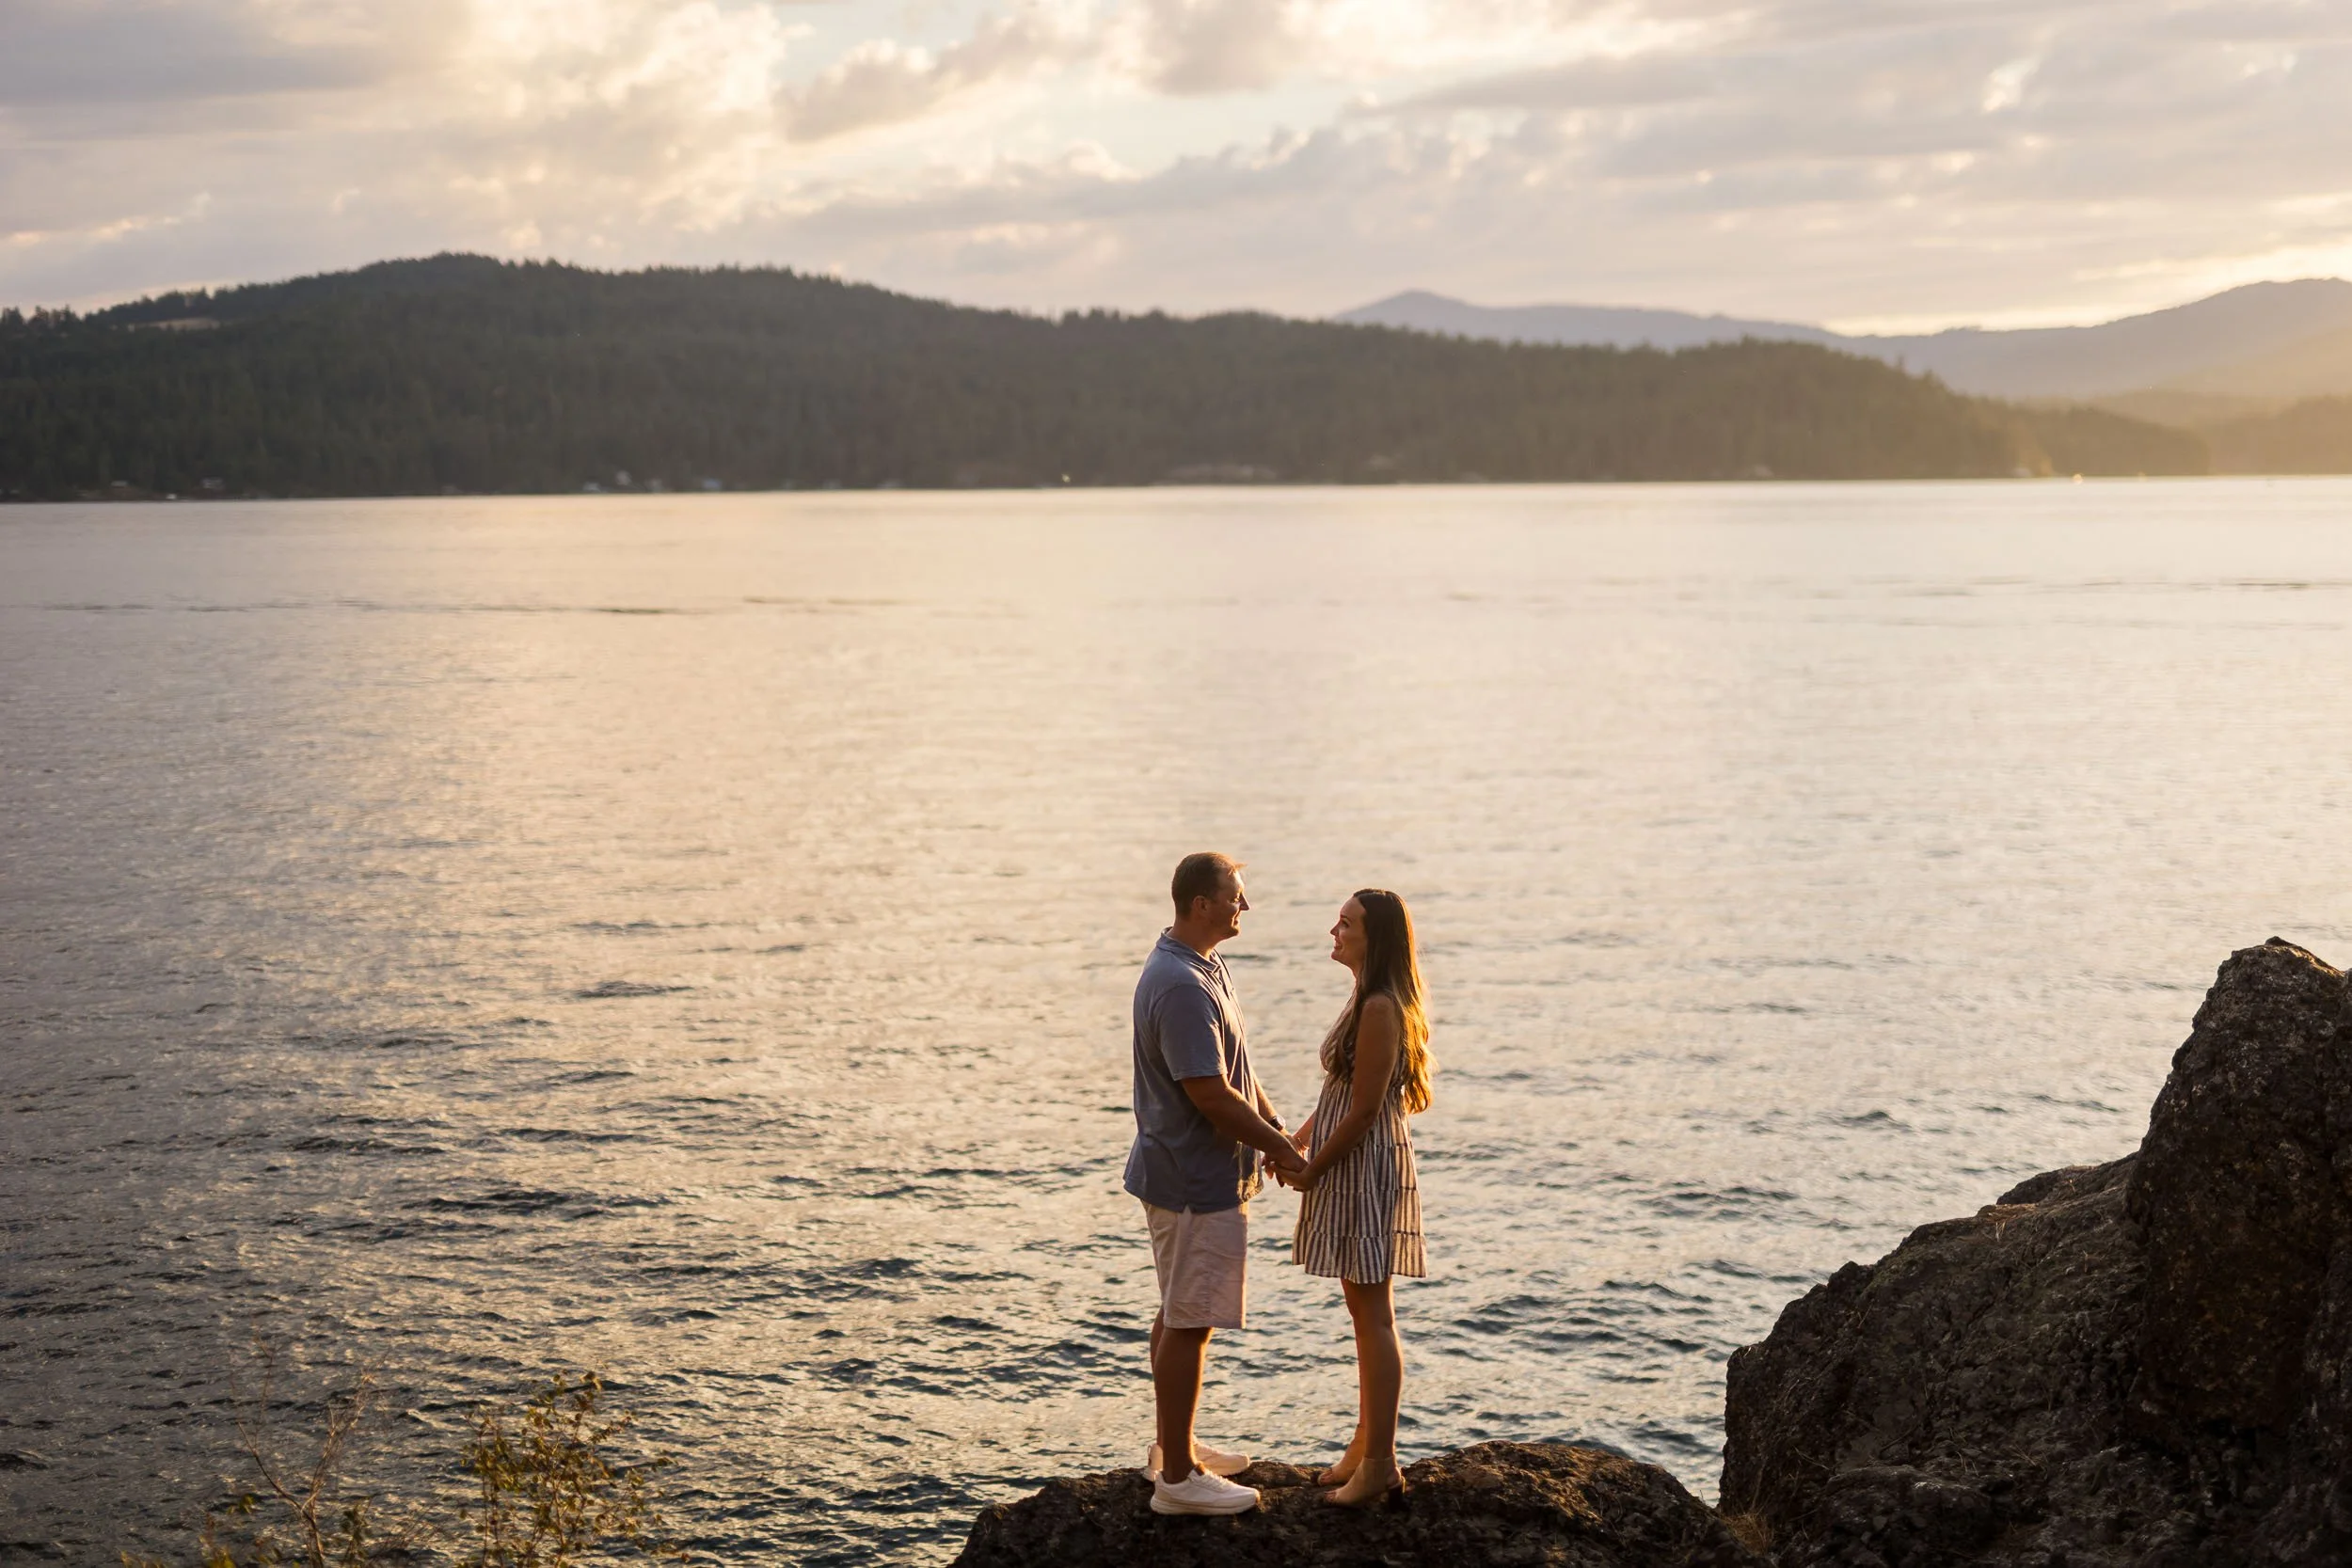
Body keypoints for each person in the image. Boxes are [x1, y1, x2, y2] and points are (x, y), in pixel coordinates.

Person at [1123, 851, 1306, 1517]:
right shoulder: (1179, 984)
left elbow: (1234, 1069)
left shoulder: (1205, 966)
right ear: (1202, 903)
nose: (1244, 906)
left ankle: (1176, 1443)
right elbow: (1208, 1093)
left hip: (1193, 1170)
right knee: (1191, 1320)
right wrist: (1283, 1149)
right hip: (1193, 1179)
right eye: (1236, 896)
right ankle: (1177, 1478)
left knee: (1178, 1309)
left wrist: (1274, 1121)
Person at [1283, 888, 1434, 1508]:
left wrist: (1313, 1167)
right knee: (1362, 1312)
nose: (1333, 930)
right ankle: (1363, 1445)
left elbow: (1366, 1108)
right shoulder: (1365, 997)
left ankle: (1380, 1463)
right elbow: (1339, 1092)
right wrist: (1295, 1137)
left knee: (1374, 1315)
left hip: (1362, 1164)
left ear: (1376, 938)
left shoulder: (1379, 1005)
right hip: (1352, 1157)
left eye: (1345, 924)